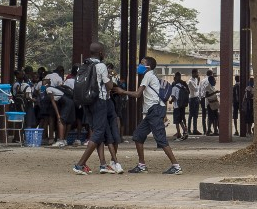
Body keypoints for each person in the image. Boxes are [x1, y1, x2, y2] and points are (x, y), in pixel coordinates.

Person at [119, 57, 182, 174]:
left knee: (161, 139)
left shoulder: (148, 76)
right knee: (138, 136)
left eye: (142, 63)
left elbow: (138, 94)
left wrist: (122, 92)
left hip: (155, 110)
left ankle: (176, 166)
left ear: (148, 66)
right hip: (152, 111)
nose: (139, 65)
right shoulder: (151, 76)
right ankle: (141, 165)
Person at [71, 42, 123, 175]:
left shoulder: (84, 64)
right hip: (99, 101)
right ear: (100, 53)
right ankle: (80, 164)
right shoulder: (101, 66)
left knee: (96, 132)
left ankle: (103, 164)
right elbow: (109, 86)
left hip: (87, 102)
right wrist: (111, 77)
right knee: (99, 133)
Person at [170, 71, 190, 141]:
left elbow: (173, 97)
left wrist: (170, 101)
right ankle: (185, 131)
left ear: (174, 78)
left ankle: (178, 133)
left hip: (176, 106)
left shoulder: (174, 86)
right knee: (181, 119)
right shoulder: (183, 85)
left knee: (176, 121)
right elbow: (188, 92)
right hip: (182, 105)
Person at [188, 68, 202, 135]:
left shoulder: (196, 80)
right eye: (197, 73)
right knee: (191, 115)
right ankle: (188, 129)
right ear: (193, 73)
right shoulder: (190, 81)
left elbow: (198, 91)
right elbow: (196, 89)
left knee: (196, 115)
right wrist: (199, 83)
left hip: (196, 98)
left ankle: (195, 129)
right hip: (192, 99)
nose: (198, 74)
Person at [197, 69, 211, 135]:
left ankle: (204, 130)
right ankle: (209, 129)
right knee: (210, 114)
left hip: (202, 98)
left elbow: (199, 90)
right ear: (211, 74)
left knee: (204, 114)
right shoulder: (210, 80)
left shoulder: (202, 81)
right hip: (208, 98)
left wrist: (200, 98)